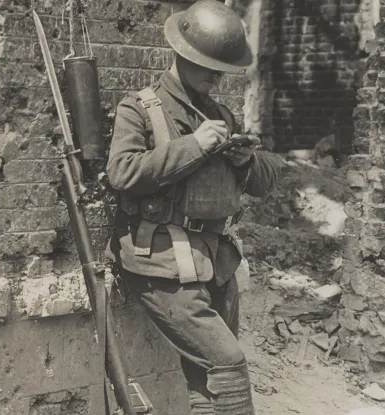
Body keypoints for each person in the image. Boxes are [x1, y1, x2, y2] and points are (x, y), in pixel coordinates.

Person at [105, 1, 279, 414]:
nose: (214, 76)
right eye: (207, 65)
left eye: (220, 69)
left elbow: (265, 183)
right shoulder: (141, 108)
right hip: (161, 261)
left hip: (215, 262)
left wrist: (247, 161)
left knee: (209, 379)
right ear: (182, 54)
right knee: (228, 362)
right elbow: (121, 172)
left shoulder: (222, 115)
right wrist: (194, 145)